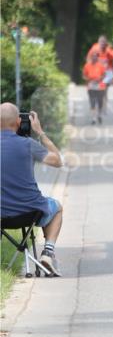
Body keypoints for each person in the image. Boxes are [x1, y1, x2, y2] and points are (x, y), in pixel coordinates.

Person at [0, 104, 64, 276]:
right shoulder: (28, 144)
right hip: (30, 212)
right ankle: (48, 253)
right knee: (57, 207)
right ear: (19, 122)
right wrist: (40, 132)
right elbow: (58, 161)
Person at [82, 51, 107, 125]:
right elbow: (84, 75)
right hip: (91, 86)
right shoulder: (87, 65)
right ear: (91, 57)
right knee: (92, 102)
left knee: (100, 102)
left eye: (95, 56)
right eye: (93, 56)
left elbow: (104, 74)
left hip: (100, 86)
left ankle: (99, 115)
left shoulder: (101, 66)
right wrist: (88, 79)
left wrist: (100, 79)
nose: (94, 57)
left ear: (97, 57)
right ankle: (94, 118)